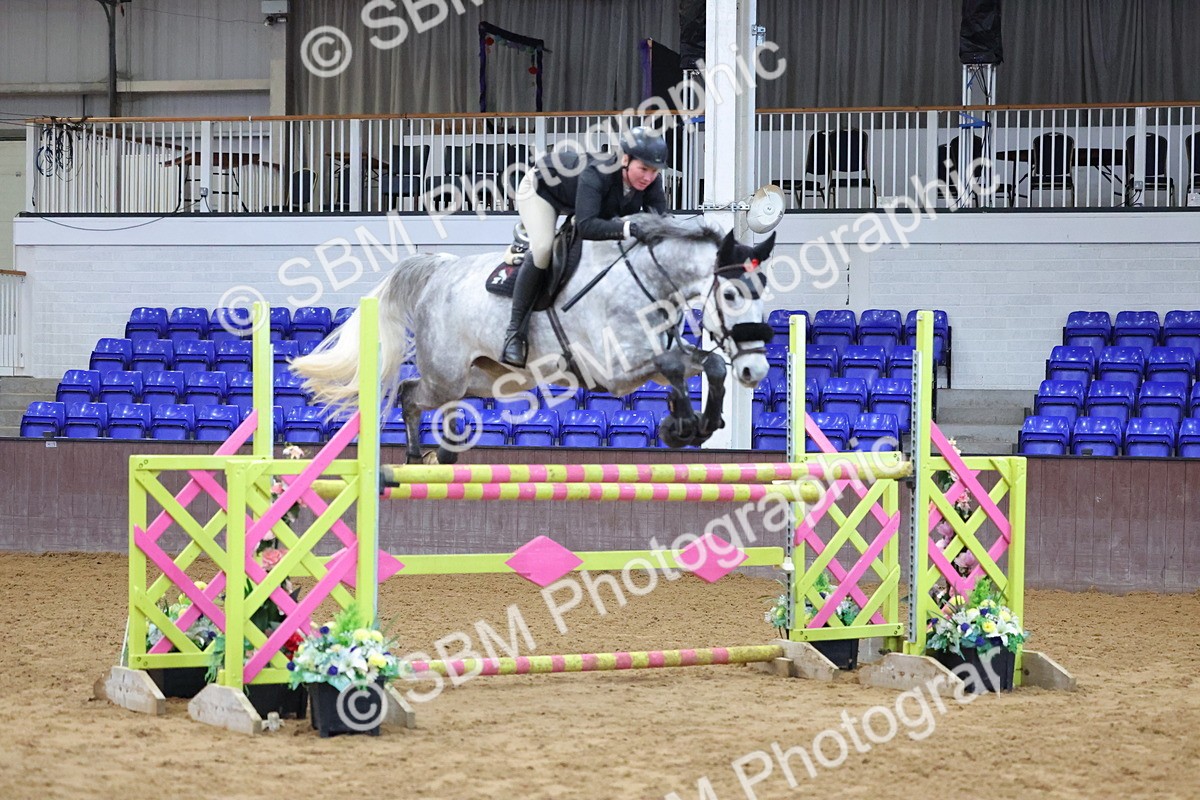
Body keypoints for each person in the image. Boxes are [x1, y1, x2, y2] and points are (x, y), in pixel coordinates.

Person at [501, 126, 669, 368]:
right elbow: (587, 226)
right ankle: (514, 334)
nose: (648, 177)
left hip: (582, 200)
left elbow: (661, 221)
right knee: (543, 249)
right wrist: (630, 228)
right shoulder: (597, 173)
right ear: (625, 159)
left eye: (654, 171)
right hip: (541, 191)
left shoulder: (650, 181)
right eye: (643, 169)